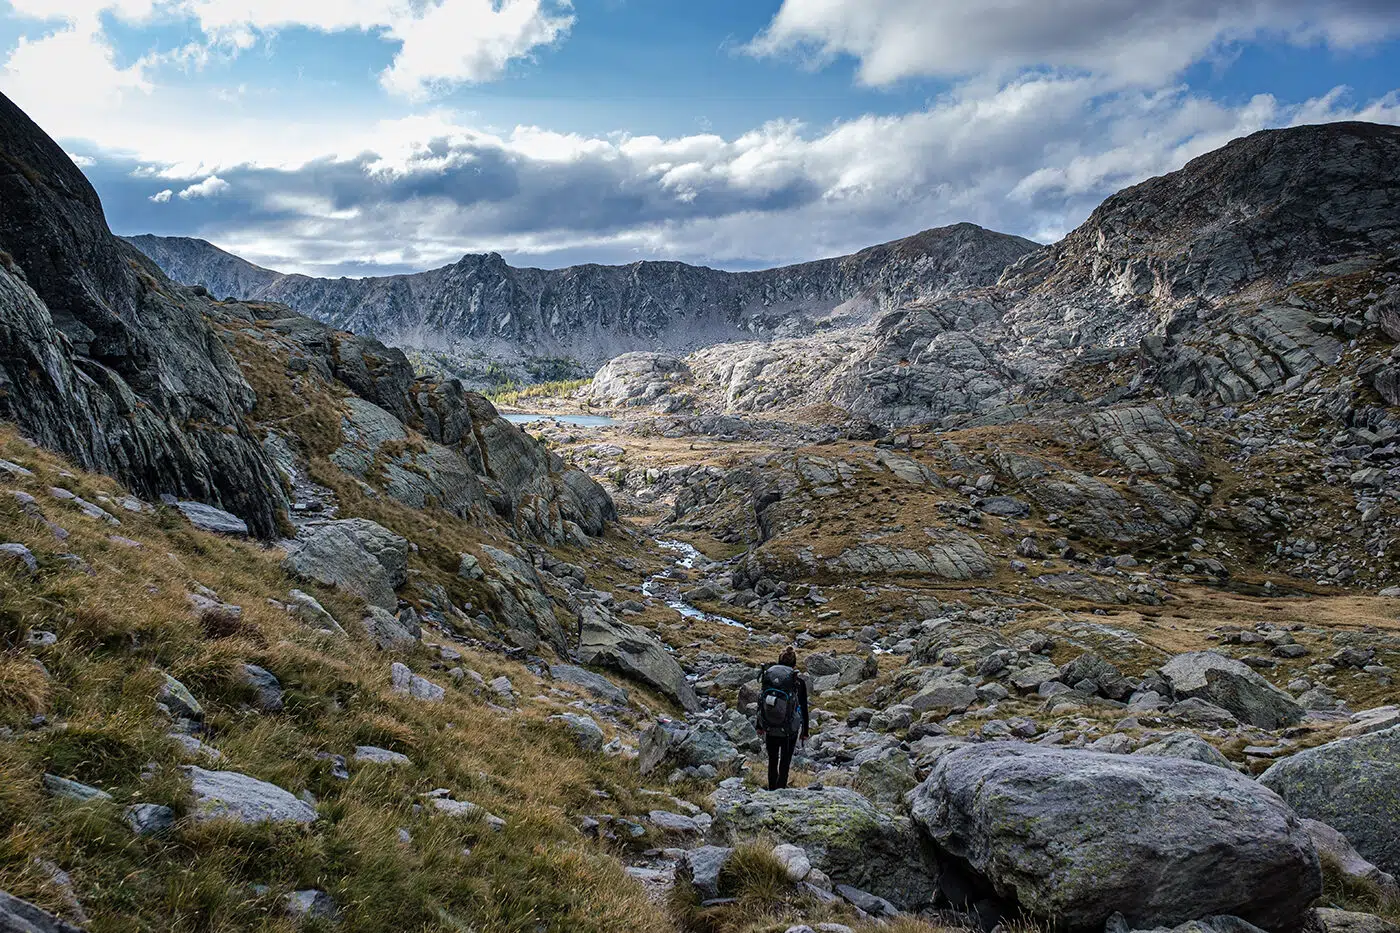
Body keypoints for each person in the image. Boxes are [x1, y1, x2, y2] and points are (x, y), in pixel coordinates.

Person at [755, 645, 809, 790]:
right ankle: (781, 791)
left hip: (769, 726)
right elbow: (803, 707)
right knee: (785, 761)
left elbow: (761, 702)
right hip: (789, 729)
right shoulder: (798, 681)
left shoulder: (769, 676)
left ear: (778, 661)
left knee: (772, 760)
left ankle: (772, 790)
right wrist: (805, 732)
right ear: (794, 664)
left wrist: (759, 726)